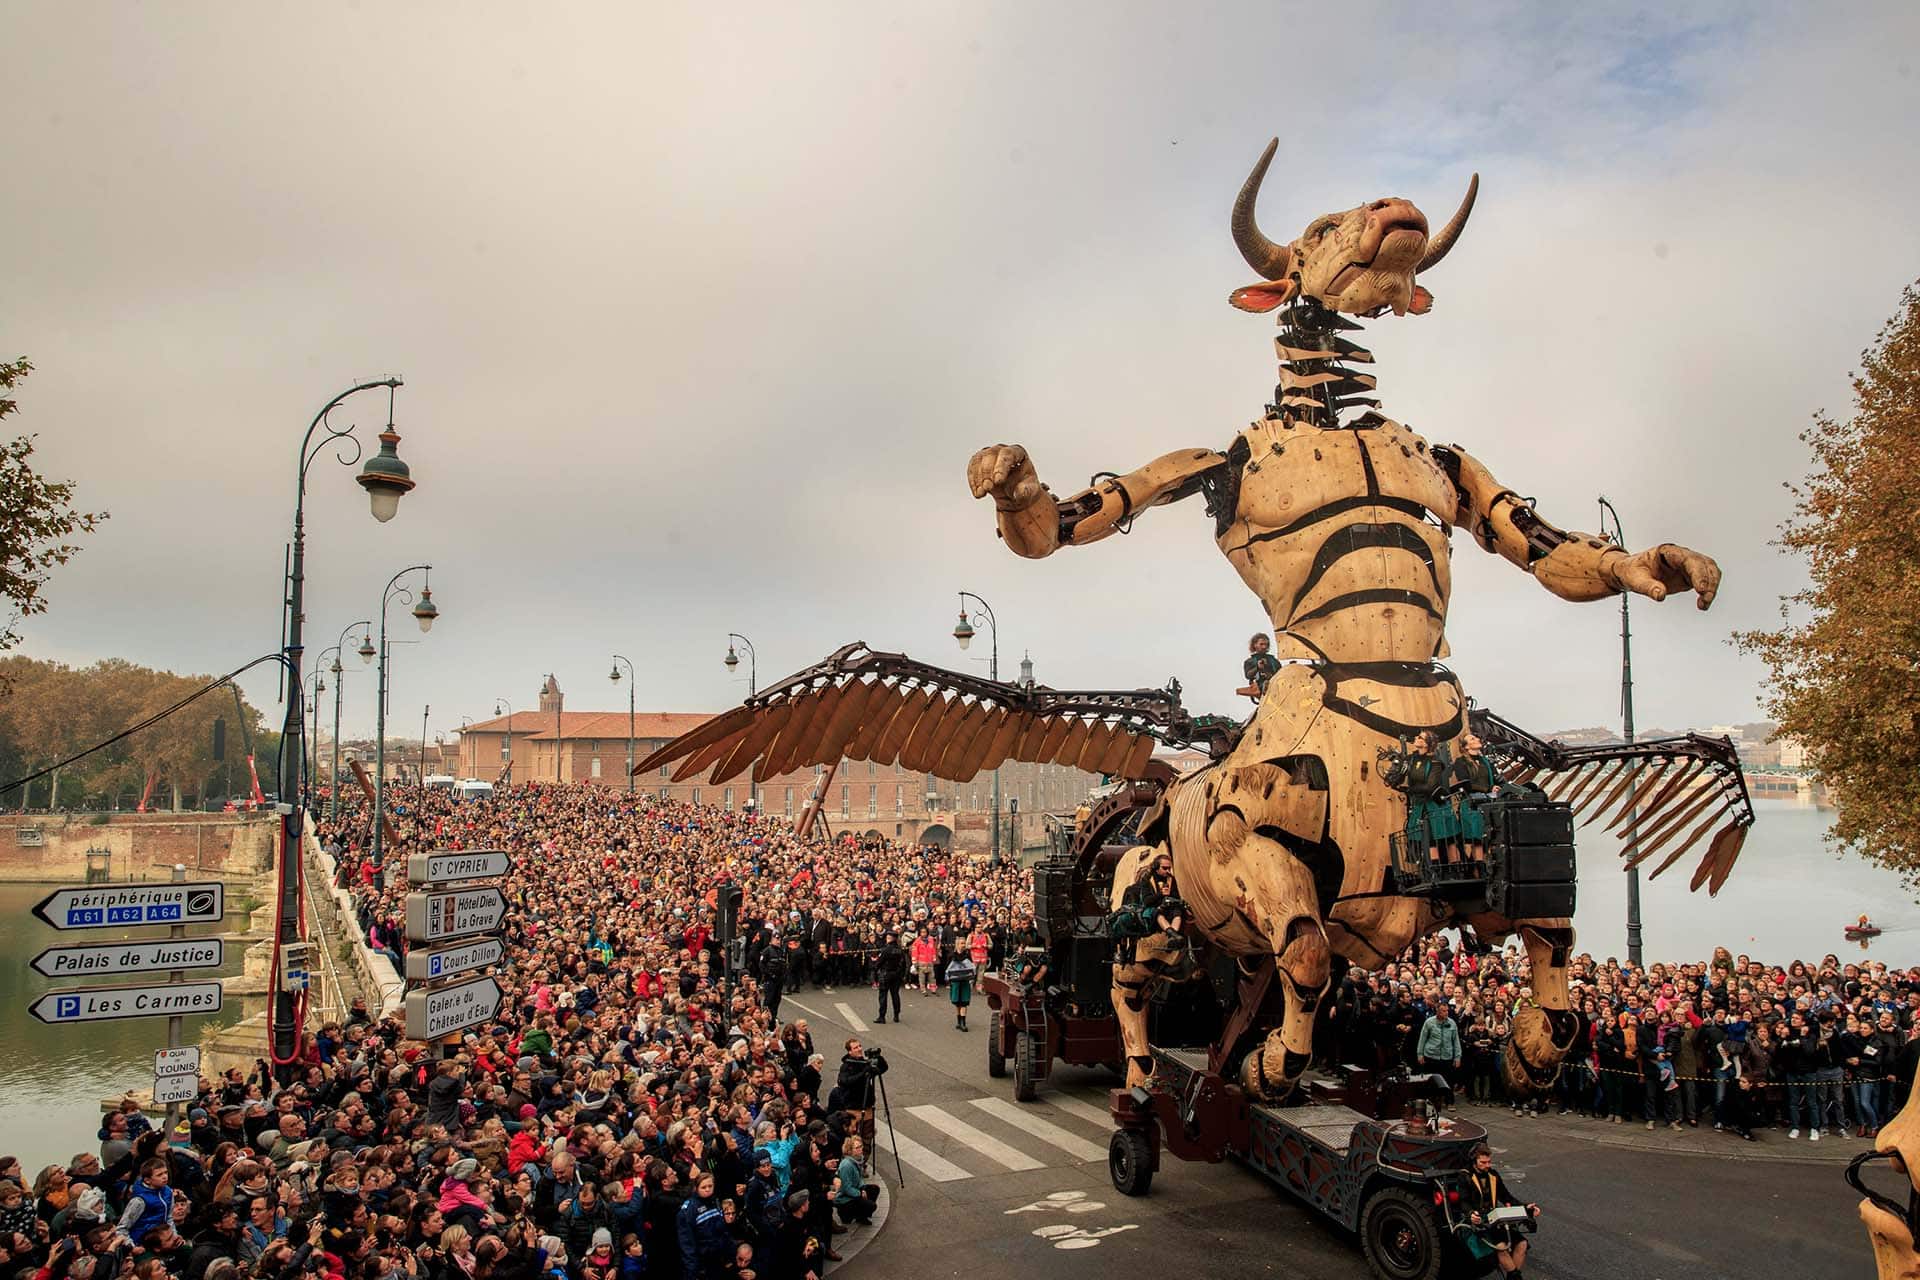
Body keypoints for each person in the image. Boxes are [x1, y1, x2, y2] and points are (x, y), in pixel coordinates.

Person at [1457, 1144, 1539, 1276]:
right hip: (1480, 1222)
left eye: (1489, 1162)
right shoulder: (1465, 1176)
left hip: (1496, 1219)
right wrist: (1471, 1214)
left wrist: (1525, 1207)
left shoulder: (1493, 1175)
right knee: (1501, 1247)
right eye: (1483, 1162)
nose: (1487, 1165)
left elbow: (1506, 1196)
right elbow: (1464, 1201)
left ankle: (1513, 1277)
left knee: (1522, 1244)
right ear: (1474, 1161)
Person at [1416, 1002, 1463, 1087]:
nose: (1446, 1013)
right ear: (1437, 1011)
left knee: (1447, 1083)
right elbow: (1422, 1039)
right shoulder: (1429, 1022)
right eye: (1443, 1011)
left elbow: (1456, 1041)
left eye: (1447, 1011)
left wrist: (1457, 1057)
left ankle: (1447, 1099)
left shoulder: (1452, 1023)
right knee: (1431, 1083)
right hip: (1431, 1057)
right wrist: (1420, 1054)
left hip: (1447, 1057)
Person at [873, 932, 907, 1025]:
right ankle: (896, 1015)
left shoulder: (886, 950)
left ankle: (882, 1016)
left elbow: (879, 962)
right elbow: (904, 964)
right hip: (896, 975)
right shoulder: (900, 950)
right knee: (895, 995)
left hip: (886, 974)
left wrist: (875, 970)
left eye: (888, 937)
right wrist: (902, 974)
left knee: (883, 996)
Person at [1239, 632, 1280, 703]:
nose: (1264, 647)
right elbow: (1248, 675)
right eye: (1261, 644)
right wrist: (1257, 667)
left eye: (1266, 644)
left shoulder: (1273, 660)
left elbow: (1280, 672)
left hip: (1275, 685)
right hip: (1258, 686)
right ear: (1255, 645)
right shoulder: (1249, 661)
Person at [946, 951, 977, 1032]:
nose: (963, 945)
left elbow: (972, 968)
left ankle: (963, 1023)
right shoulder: (951, 956)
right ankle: (959, 1022)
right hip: (955, 981)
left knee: (964, 1002)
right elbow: (947, 969)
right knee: (957, 1002)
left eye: (963, 943)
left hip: (965, 981)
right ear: (957, 945)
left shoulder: (967, 956)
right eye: (961, 943)